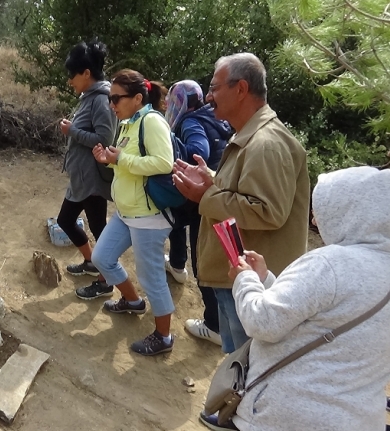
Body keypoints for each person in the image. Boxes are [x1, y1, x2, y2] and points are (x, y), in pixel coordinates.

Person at [213, 166, 390, 431]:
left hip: (285, 415)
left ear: (351, 211)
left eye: (323, 211)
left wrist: (245, 279)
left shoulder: (329, 264)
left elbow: (263, 322)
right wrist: (267, 281)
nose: (317, 221)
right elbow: (323, 314)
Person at [172, 53, 310, 355]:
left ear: (241, 89)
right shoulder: (250, 136)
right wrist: (209, 178)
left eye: (214, 87)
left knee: (248, 369)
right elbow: (244, 190)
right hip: (237, 276)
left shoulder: (266, 143)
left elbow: (266, 210)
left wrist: (204, 196)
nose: (208, 97)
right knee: (237, 363)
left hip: (254, 286)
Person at [81, 69, 176, 356]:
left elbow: (163, 162)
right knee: (101, 257)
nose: (112, 104)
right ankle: (133, 302)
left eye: (116, 98)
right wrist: (109, 160)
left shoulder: (151, 122)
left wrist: (120, 157)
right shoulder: (127, 124)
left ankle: (164, 336)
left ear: (137, 98)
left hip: (149, 216)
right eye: (111, 98)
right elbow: (127, 162)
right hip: (127, 211)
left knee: (152, 278)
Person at [163, 80, 232, 346]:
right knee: (176, 225)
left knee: (202, 263)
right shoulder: (215, 119)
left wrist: (175, 161)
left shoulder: (190, 122)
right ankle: (177, 265)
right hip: (213, 193)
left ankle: (214, 326)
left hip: (197, 197)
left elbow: (198, 152)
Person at [56, 40, 117, 296]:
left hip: (93, 178)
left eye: (73, 75)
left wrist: (73, 131)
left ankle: (106, 281)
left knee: (96, 227)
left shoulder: (101, 100)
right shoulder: (90, 97)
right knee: (69, 221)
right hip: (83, 177)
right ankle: (93, 263)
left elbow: (105, 140)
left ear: (86, 74)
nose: (70, 80)